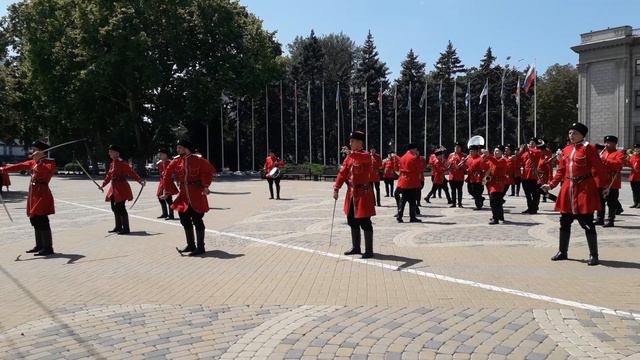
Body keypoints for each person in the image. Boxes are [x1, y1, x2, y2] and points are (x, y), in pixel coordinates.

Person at [541, 122, 607, 266]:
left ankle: (593, 255)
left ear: (582, 135)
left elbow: (599, 168)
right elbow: (561, 171)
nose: (571, 136)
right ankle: (562, 252)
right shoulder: (566, 149)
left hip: (584, 189)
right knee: (564, 221)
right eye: (570, 133)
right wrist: (551, 185)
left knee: (588, 223)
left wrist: (604, 186)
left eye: (575, 133)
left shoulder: (589, 148)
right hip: (568, 189)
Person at [0, 141, 56, 255]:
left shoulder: (49, 163)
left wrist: (38, 161)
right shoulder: (33, 162)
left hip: (42, 193)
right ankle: (39, 245)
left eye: (35, 149)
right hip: (33, 193)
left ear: (41, 151)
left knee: (42, 219)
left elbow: (43, 172)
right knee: (34, 219)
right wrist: (3, 169)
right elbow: (19, 166)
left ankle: (48, 248)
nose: (32, 151)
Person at [162, 139, 215, 256]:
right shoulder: (176, 161)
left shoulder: (198, 160)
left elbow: (208, 172)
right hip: (183, 196)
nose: (177, 149)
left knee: (197, 220)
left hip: (197, 194)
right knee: (184, 219)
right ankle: (191, 245)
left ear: (186, 148)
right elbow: (166, 175)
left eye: (179, 147)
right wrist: (168, 190)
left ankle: (201, 247)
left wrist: (205, 185)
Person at [333, 131, 376, 259]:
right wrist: (336, 188)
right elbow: (342, 173)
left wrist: (351, 154)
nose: (350, 143)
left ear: (360, 142)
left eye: (352, 141)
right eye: (350, 141)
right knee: (351, 220)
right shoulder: (349, 157)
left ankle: (369, 250)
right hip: (351, 193)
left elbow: (361, 158)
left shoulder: (366, 156)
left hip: (363, 193)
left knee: (365, 221)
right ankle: (356, 247)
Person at [99, 145, 145, 235]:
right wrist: (102, 185)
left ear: (116, 153)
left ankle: (126, 228)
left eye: (111, 152)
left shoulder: (122, 163)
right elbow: (109, 176)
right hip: (114, 188)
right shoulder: (112, 163)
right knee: (114, 207)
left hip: (122, 188)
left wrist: (140, 181)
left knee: (120, 207)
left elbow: (132, 172)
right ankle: (118, 227)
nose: (109, 153)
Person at [595, 135, 624, 227]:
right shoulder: (603, 153)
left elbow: (619, 165)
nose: (607, 144)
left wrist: (605, 161)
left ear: (615, 143)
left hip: (612, 181)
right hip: (601, 180)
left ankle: (611, 220)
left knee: (612, 202)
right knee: (600, 201)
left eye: (609, 142)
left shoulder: (619, 154)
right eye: (606, 142)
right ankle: (600, 219)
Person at [396, 143, 423, 223]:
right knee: (412, 200)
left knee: (403, 200)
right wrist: (418, 157)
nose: (416, 151)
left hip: (403, 181)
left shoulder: (402, 157)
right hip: (411, 181)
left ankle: (399, 215)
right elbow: (419, 168)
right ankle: (412, 217)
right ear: (412, 149)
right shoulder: (414, 158)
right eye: (415, 149)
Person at [517, 138, 543, 214]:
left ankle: (534, 208)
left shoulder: (537, 151)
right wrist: (521, 150)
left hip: (533, 175)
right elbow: (518, 159)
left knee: (535, 193)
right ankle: (530, 207)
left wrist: (530, 148)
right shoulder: (525, 153)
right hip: (525, 175)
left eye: (533, 143)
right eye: (530, 143)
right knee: (527, 193)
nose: (531, 144)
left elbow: (538, 153)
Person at [484, 146, 509, 224]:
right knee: (497, 202)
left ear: (501, 152)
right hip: (492, 183)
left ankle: (496, 218)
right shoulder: (493, 160)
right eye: (494, 151)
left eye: (497, 151)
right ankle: (500, 216)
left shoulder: (503, 160)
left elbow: (497, 164)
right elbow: (484, 167)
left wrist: (489, 156)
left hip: (498, 183)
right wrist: (483, 158)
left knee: (494, 201)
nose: (495, 152)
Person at [465, 145, 489, 210]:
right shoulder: (469, 158)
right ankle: (480, 198)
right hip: (471, 177)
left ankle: (478, 205)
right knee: (470, 191)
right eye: (470, 151)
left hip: (479, 177)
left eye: (472, 151)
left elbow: (483, 167)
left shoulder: (480, 158)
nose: (470, 153)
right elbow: (467, 166)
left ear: (476, 151)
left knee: (478, 191)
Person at [156, 148, 175, 220]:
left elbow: (173, 173)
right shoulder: (160, 163)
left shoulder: (170, 162)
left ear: (166, 155)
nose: (160, 155)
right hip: (162, 182)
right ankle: (165, 213)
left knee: (169, 199)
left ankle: (171, 215)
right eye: (160, 154)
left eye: (162, 154)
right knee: (160, 198)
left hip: (168, 182)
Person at [447, 142, 466, 208]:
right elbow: (447, 165)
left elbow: (465, 167)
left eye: (458, 147)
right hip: (452, 176)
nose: (456, 148)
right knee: (453, 190)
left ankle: (460, 203)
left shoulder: (463, 156)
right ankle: (454, 203)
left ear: (461, 148)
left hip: (459, 176)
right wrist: (450, 161)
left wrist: (461, 166)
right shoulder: (451, 155)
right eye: (455, 147)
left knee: (460, 190)